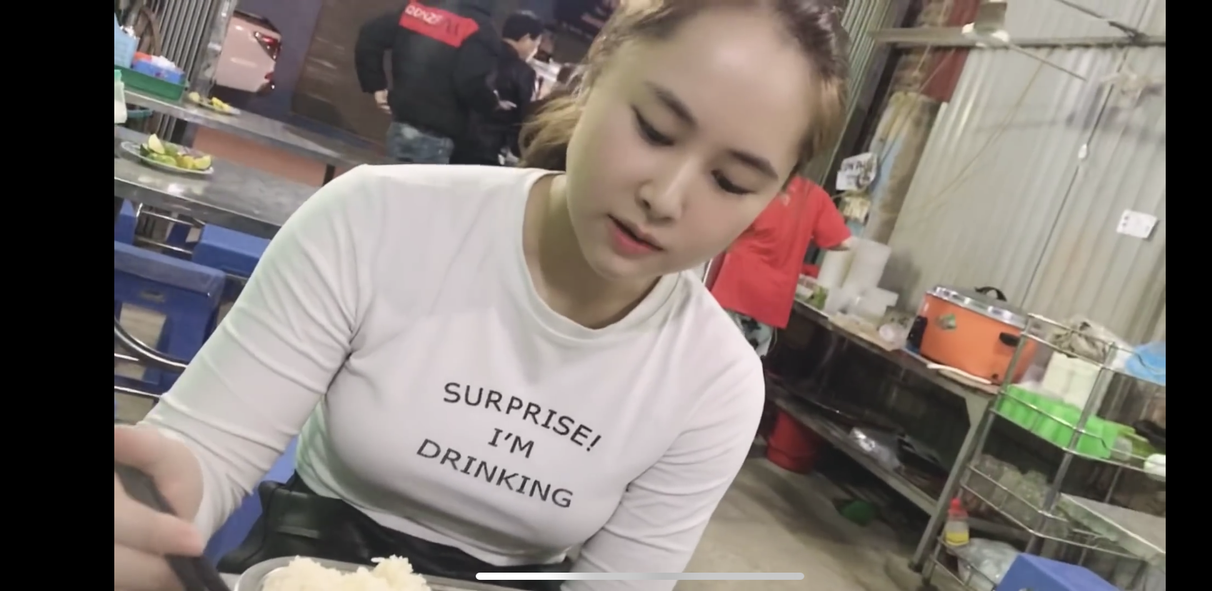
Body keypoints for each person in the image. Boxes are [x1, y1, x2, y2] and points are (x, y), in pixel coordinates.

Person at [112, 1, 852, 590]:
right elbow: (205, 454)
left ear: (773, 200)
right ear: (595, 75)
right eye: (655, 130)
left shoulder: (715, 382)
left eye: (731, 181)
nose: (666, 197)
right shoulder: (377, 220)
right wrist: (155, 515)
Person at [709, 175, 854, 356]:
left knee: (710, 355)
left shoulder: (760, 182)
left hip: (733, 291)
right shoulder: (814, 194)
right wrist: (803, 234)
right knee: (744, 364)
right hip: (770, 304)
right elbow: (845, 243)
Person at [354, 0, 508, 164]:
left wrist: (376, 85)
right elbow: (470, 83)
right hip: (438, 137)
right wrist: (492, 104)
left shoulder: (418, 10)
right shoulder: (479, 29)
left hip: (401, 124)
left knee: (392, 178)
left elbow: (369, 36)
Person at [452, 11, 546, 166]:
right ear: (526, 38)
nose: (534, 52)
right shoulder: (524, 73)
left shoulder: (479, 54)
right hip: (487, 153)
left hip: (454, 141)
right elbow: (525, 120)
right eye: (536, 45)